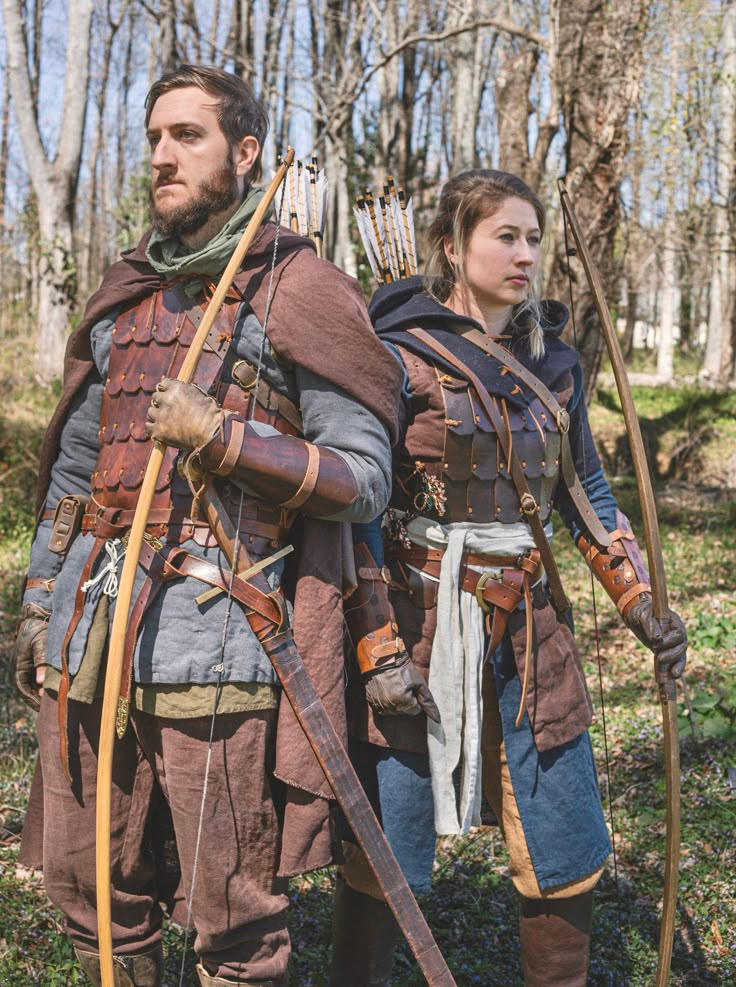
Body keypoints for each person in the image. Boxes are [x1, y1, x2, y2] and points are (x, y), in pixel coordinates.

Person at [12, 64, 405, 987]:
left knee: (232, 914)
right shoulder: (129, 295)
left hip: (220, 640)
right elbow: (74, 473)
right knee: (91, 884)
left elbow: (366, 479)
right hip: (89, 631)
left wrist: (225, 439)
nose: (161, 155)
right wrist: (39, 593)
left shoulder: (298, 289)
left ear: (247, 152)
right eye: (154, 137)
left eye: (186, 135)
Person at [331, 169, 688, 986]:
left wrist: (640, 602)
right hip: (415, 624)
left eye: (534, 237)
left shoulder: (553, 364)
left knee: (565, 847)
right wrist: (376, 643)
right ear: (453, 248)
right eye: (506, 236)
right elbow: (354, 510)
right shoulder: (397, 354)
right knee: (385, 854)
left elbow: (586, 495)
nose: (526, 253)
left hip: (528, 623)